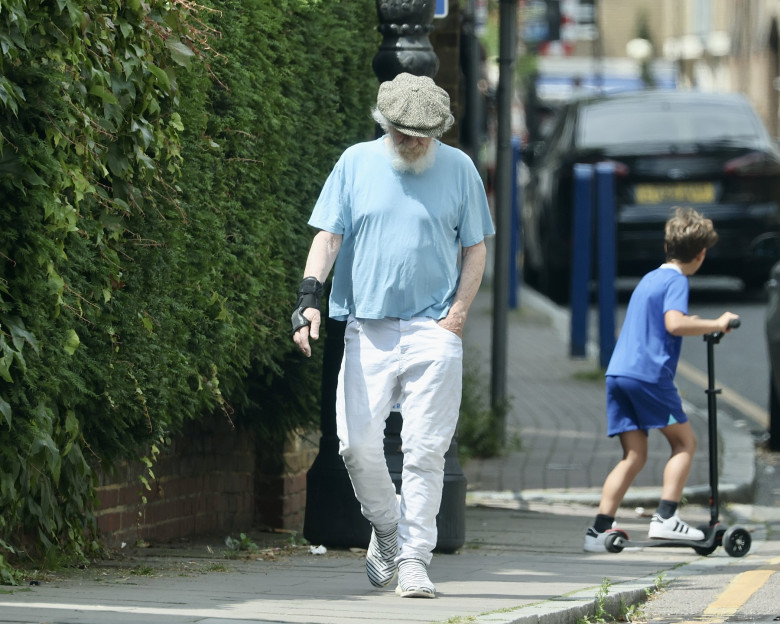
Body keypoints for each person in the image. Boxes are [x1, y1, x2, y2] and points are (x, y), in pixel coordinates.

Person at [292, 73, 494, 597]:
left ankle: (413, 560)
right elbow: (328, 235)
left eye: (425, 134)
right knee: (356, 446)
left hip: (434, 329)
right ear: (385, 124)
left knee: (426, 450)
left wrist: (457, 316)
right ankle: (386, 526)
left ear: (439, 130)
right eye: (404, 132)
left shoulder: (460, 169)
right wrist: (308, 300)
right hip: (367, 325)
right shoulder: (355, 162)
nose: (414, 142)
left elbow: (475, 247)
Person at [584, 207, 739, 553]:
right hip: (649, 377)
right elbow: (674, 324)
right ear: (700, 254)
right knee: (685, 443)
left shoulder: (651, 278)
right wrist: (717, 323)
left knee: (634, 455)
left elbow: (661, 320)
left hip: (619, 374)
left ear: (667, 247)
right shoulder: (677, 280)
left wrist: (690, 319)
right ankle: (666, 518)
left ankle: (598, 532)